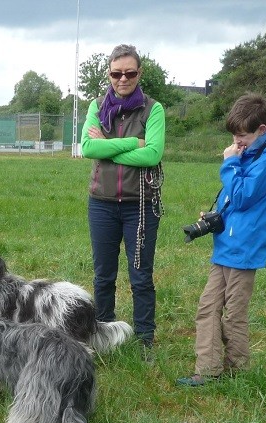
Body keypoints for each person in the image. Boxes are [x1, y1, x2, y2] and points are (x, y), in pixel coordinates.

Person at [177, 93, 266, 386]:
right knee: (207, 308)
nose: (237, 140)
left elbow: (242, 196)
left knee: (234, 314)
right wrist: (216, 217)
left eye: (243, 135)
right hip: (225, 248)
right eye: (234, 134)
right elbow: (235, 203)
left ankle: (238, 369)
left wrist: (230, 163)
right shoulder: (247, 156)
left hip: (245, 252)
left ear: (262, 131)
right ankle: (208, 370)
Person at [80, 44, 165, 354]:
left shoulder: (153, 109)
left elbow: (153, 154)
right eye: (117, 73)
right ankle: (103, 336)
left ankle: (145, 340)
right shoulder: (96, 105)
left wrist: (110, 146)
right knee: (103, 275)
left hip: (140, 206)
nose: (123, 79)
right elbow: (88, 149)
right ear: (109, 74)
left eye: (129, 73)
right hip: (101, 204)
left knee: (140, 276)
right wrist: (132, 143)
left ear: (139, 73)